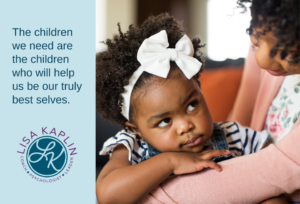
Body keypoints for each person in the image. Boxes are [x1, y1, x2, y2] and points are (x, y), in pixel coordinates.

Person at [95, 13, 271, 204]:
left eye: (191, 106)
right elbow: (108, 196)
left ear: (200, 91)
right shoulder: (134, 147)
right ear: (137, 129)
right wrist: (170, 162)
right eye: (164, 121)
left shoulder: (238, 137)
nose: (185, 126)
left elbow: (274, 175)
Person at [135, 0, 299, 203]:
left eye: (287, 53)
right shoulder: (133, 145)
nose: (261, 60)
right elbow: (108, 192)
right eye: (256, 38)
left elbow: (282, 169)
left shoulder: (240, 138)